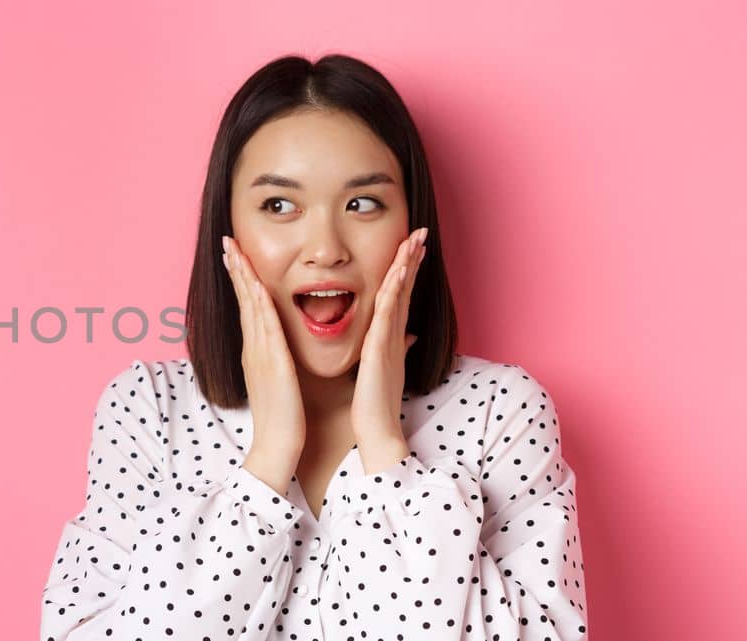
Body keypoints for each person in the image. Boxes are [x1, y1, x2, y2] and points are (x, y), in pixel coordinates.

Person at [39, 54, 589, 641]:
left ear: (412, 224)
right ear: (228, 230)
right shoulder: (149, 408)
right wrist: (268, 458)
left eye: (362, 204)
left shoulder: (498, 411)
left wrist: (385, 449)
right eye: (279, 206)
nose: (325, 248)